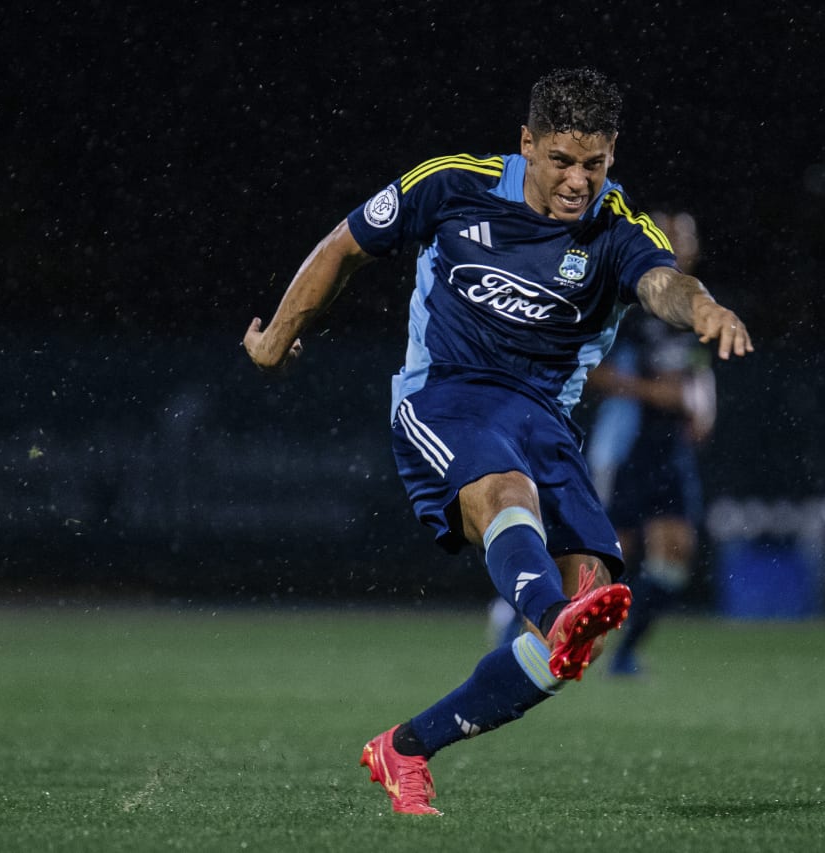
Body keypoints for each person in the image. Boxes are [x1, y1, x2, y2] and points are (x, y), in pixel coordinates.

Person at [242, 67, 753, 816]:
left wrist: (702, 307)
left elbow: (662, 284)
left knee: (589, 624)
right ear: (527, 144)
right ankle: (550, 612)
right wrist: (276, 337)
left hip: (545, 423)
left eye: (595, 163)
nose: (579, 181)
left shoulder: (618, 229)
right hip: (445, 395)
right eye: (562, 161)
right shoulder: (453, 186)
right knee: (512, 506)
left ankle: (406, 747)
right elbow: (345, 245)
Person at [585, 210, 715, 676]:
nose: (681, 244)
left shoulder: (697, 308)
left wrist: (702, 406)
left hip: (671, 450)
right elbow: (590, 370)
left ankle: (624, 653)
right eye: (672, 236)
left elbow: (696, 371)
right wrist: (650, 392)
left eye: (688, 235)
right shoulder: (633, 304)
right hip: (626, 449)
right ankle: (529, 625)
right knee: (606, 561)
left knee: (676, 556)